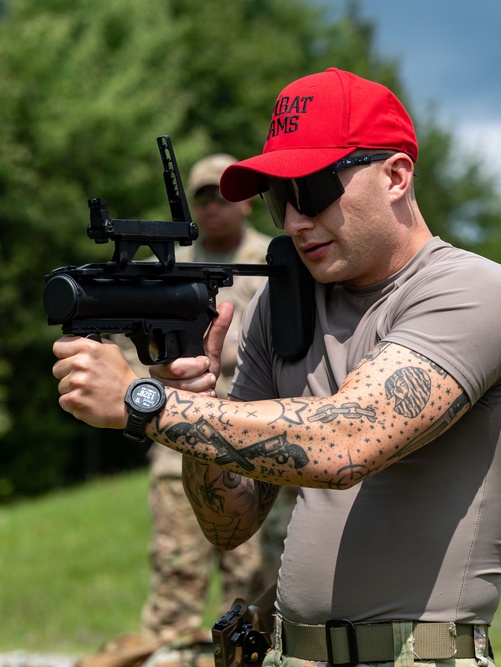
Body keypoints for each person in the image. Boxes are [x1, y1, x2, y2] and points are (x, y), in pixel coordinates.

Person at [54, 67, 501, 667]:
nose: (293, 220)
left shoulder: (472, 292)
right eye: (276, 199)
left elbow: (345, 442)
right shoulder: (285, 305)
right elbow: (230, 522)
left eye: (311, 191)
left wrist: (144, 404)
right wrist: (192, 395)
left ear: (395, 176)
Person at [131, 153, 285, 643]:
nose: (213, 207)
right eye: (203, 198)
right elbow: (131, 354)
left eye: (223, 196)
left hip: (255, 444)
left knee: (252, 588)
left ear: (245, 205)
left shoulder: (278, 260)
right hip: (179, 451)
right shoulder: (164, 269)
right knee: (175, 580)